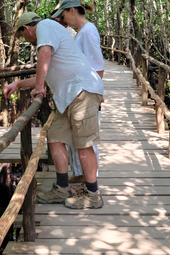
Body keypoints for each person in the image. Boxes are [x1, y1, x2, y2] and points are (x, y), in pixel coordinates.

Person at [3, 12, 104, 209]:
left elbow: (44, 57)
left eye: (23, 36)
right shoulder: (49, 34)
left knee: (83, 144)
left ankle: (93, 194)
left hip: (81, 90)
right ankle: (62, 187)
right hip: (66, 96)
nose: (26, 40)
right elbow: (46, 74)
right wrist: (19, 83)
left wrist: (39, 87)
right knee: (55, 137)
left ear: (27, 28)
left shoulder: (45, 26)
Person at [52, 0, 104, 184]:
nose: (63, 19)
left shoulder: (88, 31)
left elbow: (98, 66)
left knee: (86, 141)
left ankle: (90, 182)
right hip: (80, 91)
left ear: (72, 11)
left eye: (64, 14)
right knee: (79, 139)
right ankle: (82, 176)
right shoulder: (80, 33)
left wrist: (96, 91)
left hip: (87, 92)